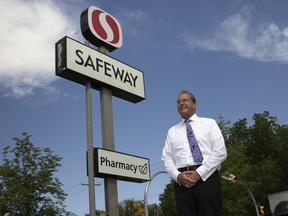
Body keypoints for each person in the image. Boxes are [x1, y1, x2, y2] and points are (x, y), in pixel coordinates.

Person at [161, 90, 227, 216]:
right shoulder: (172, 131)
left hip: (207, 178)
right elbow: (167, 158)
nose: (181, 103)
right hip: (182, 183)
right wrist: (177, 176)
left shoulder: (209, 123)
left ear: (194, 104)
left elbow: (220, 151)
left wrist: (198, 173)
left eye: (185, 100)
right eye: (178, 102)